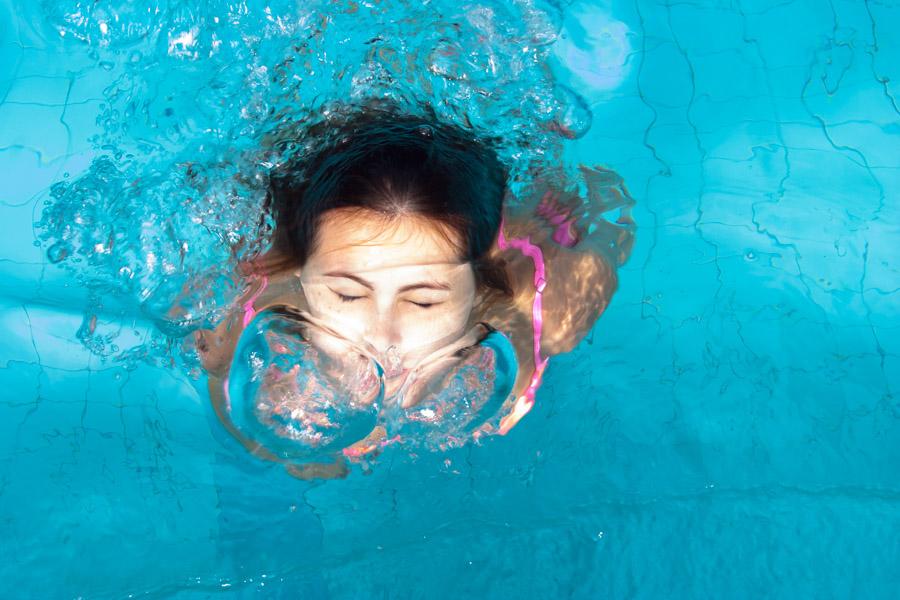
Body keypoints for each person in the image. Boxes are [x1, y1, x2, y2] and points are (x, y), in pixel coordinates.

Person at [194, 103, 635, 479]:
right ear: (303, 279)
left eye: (423, 300)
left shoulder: (551, 313)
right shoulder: (251, 337)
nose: (382, 335)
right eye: (348, 295)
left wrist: (588, 204)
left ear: (478, 286)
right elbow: (236, 413)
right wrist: (292, 451)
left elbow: (615, 219)